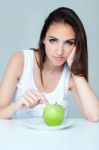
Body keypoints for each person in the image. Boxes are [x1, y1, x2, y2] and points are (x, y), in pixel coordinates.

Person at [0, 7, 99, 121]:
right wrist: (15, 107)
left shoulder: (71, 75)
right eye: (53, 40)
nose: (59, 51)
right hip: (19, 138)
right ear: (43, 39)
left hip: (57, 139)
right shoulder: (20, 60)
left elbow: (95, 115)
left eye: (68, 42)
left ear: (76, 45)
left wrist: (76, 71)